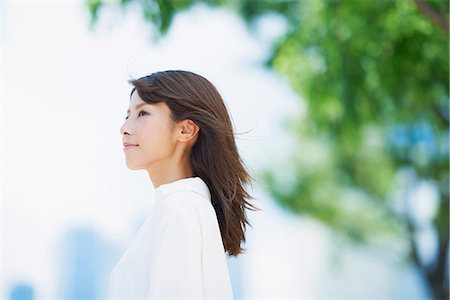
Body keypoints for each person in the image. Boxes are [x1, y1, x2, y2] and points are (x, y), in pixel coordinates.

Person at [108, 70, 260, 299]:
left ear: (186, 130)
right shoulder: (182, 207)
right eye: (127, 115)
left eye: (143, 113)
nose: (125, 128)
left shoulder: (180, 209)